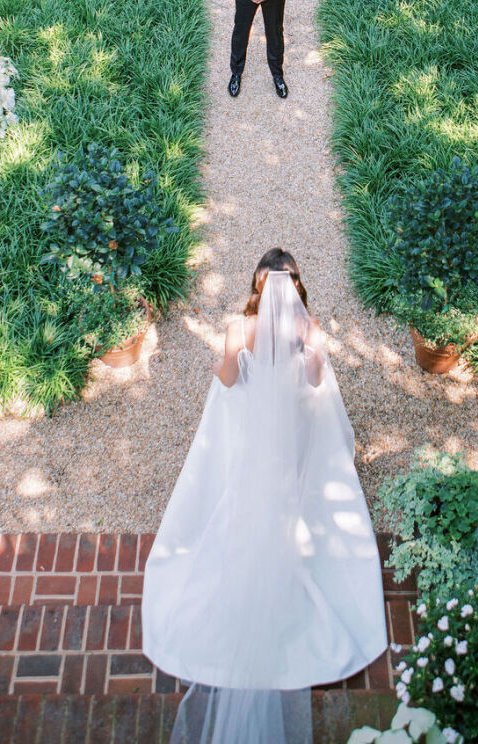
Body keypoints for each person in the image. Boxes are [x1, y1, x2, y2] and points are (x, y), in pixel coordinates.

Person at [142, 249, 388, 744]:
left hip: (252, 442)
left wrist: (233, 354)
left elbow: (228, 382)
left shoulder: (240, 327)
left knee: (243, 510)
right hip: (295, 437)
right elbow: (317, 383)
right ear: (295, 285)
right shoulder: (307, 327)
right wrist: (314, 352)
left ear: (257, 284)